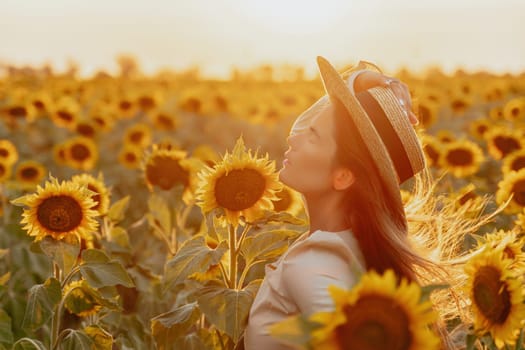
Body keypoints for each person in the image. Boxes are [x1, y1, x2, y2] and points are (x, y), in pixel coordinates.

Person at [243, 56, 493, 350]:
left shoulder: (313, 262)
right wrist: (357, 82)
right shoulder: (353, 246)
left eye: (313, 136)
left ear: (344, 176)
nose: (294, 137)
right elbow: (308, 125)